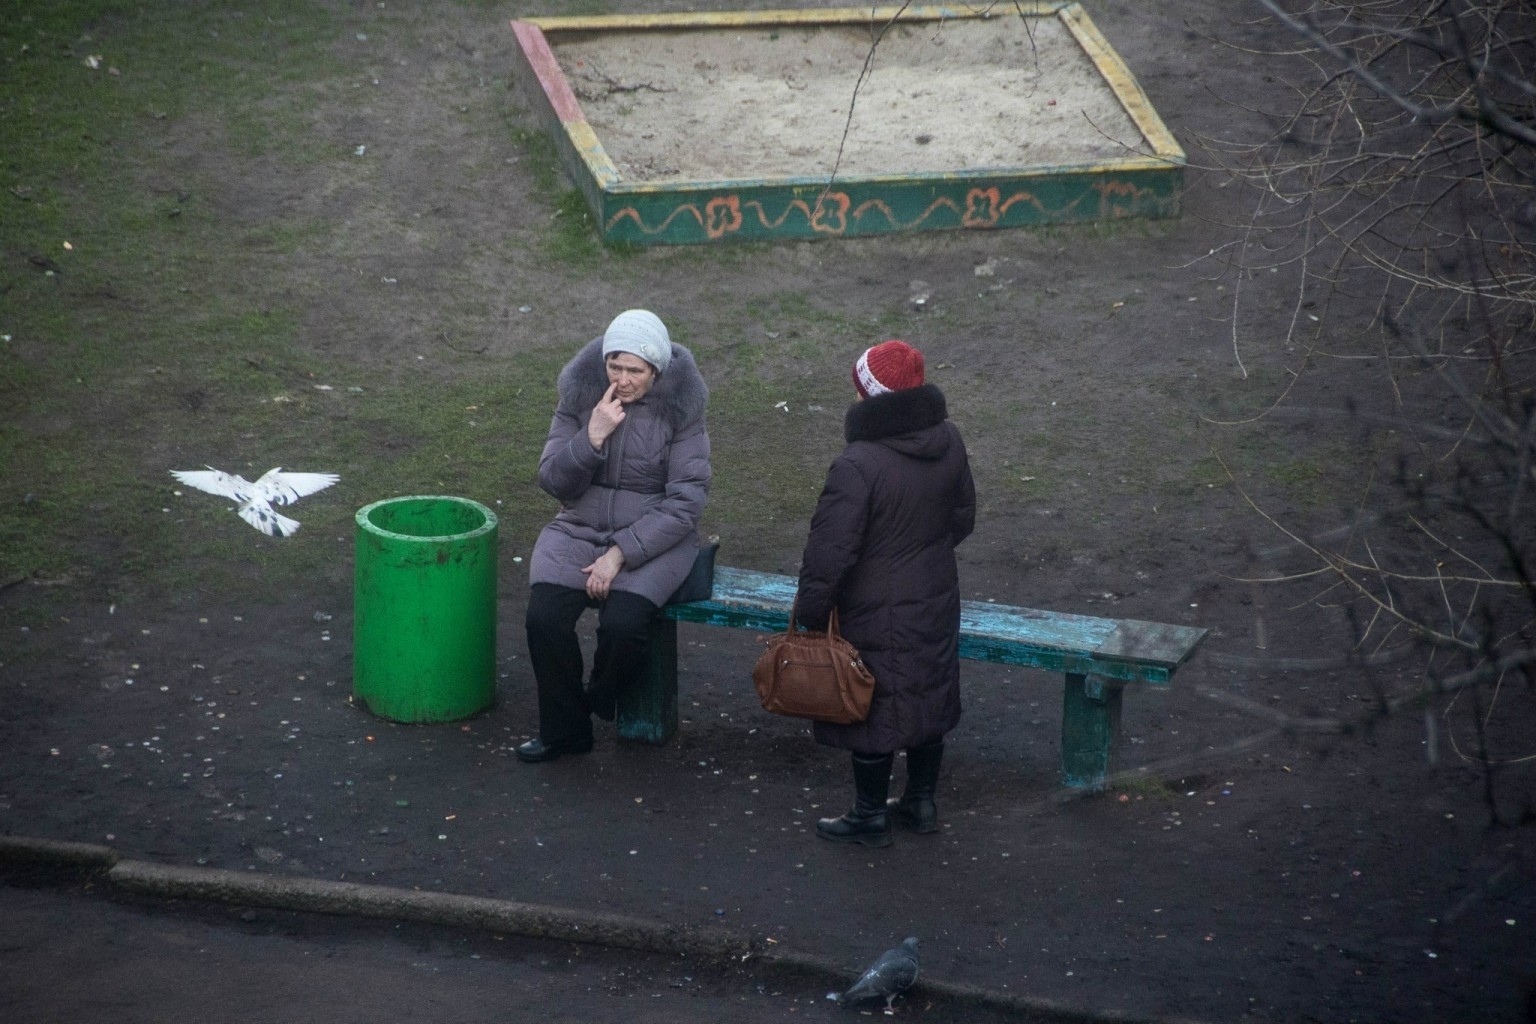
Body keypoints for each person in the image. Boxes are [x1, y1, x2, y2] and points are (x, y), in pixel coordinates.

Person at [794, 340, 976, 846]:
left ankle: (869, 815)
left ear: (870, 395)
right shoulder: (951, 441)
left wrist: (810, 611)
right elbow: (963, 519)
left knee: (870, 704)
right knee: (927, 695)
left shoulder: (858, 464)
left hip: (873, 605)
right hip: (936, 594)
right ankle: (920, 802)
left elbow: (830, 551)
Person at [518, 309, 711, 763]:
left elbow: (685, 502)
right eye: (615, 366)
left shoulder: (681, 410)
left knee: (623, 626)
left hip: (653, 538)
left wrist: (621, 553)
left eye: (635, 371)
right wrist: (592, 437)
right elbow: (552, 481)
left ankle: (597, 698)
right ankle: (565, 733)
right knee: (543, 618)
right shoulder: (580, 396)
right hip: (579, 528)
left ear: (656, 370)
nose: (622, 380)